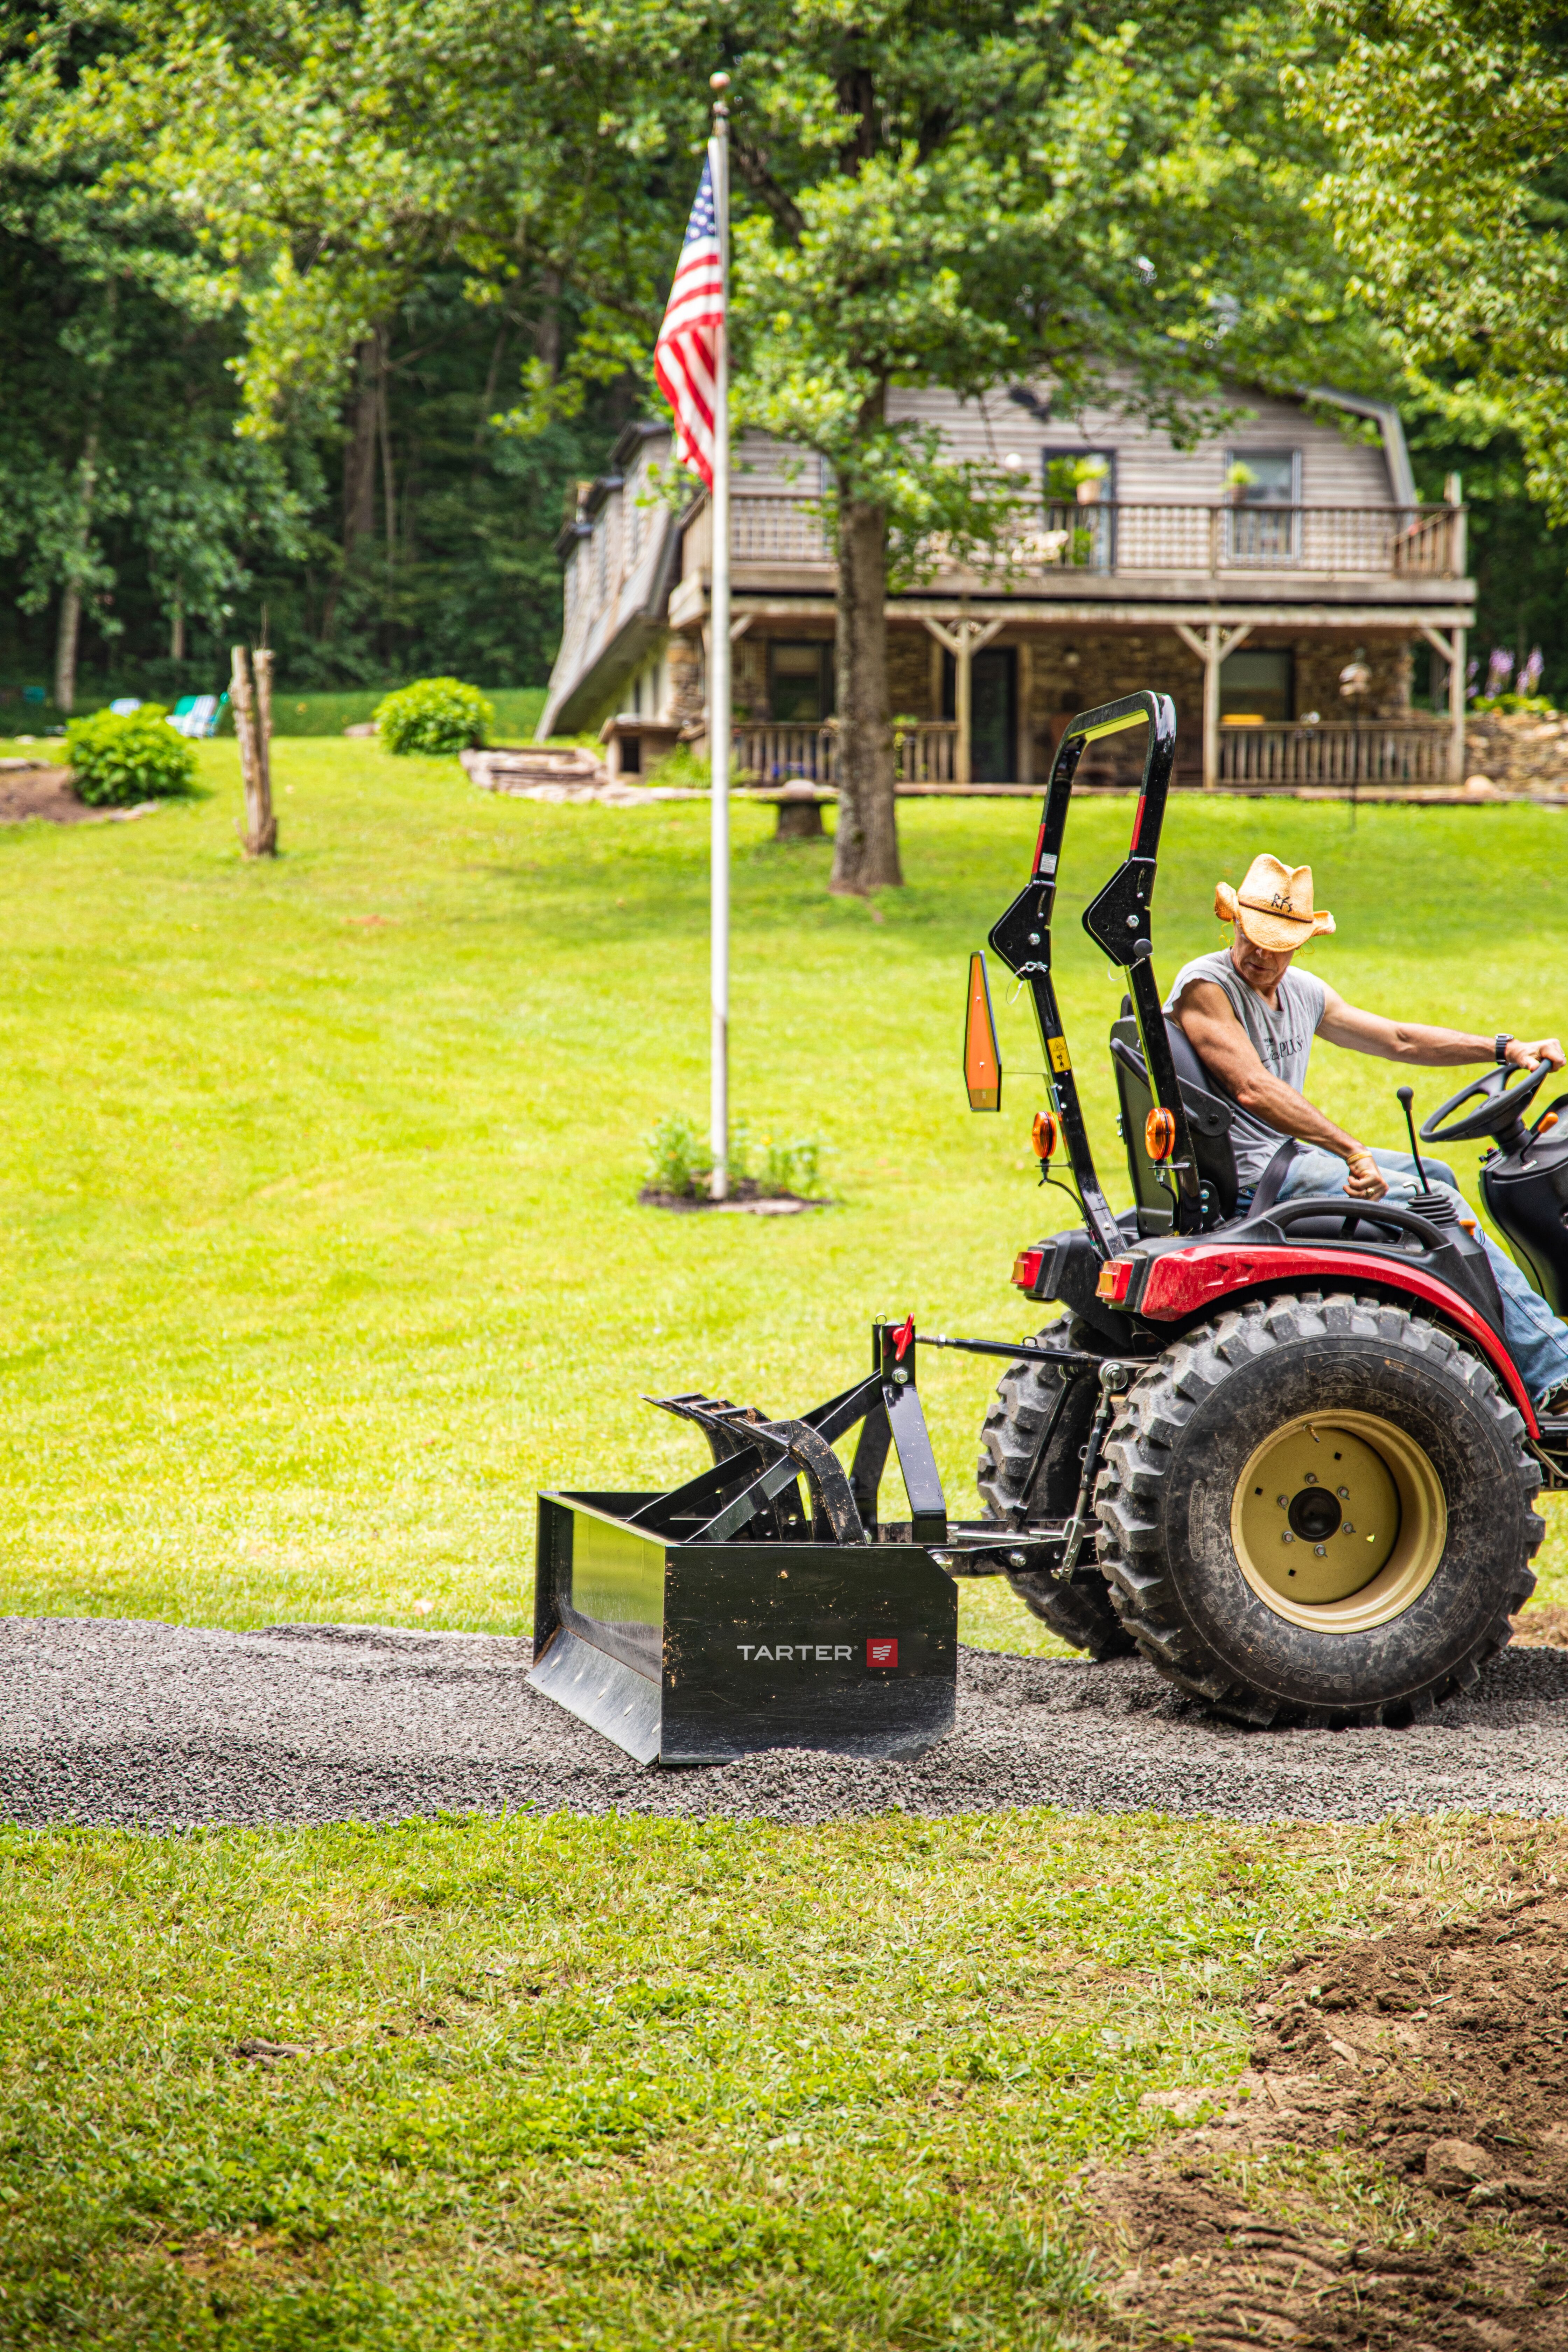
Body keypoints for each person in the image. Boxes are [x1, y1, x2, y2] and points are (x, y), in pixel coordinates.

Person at [1165, 851, 1568, 1407]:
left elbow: (1398, 1038)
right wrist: (1351, 1152)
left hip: (1286, 1158)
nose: (1261, 953)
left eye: (1277, 943)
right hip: (1256, 1177)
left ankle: (1475, 1357)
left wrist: (1503, 1048)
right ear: (1233, 922)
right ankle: (1556, 1370)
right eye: (1253, 935)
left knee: (1436, 1174)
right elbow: (1252, 1088)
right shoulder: (1205, 985)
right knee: (1442, 1205)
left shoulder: (1302, 991)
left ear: (1300, 942)